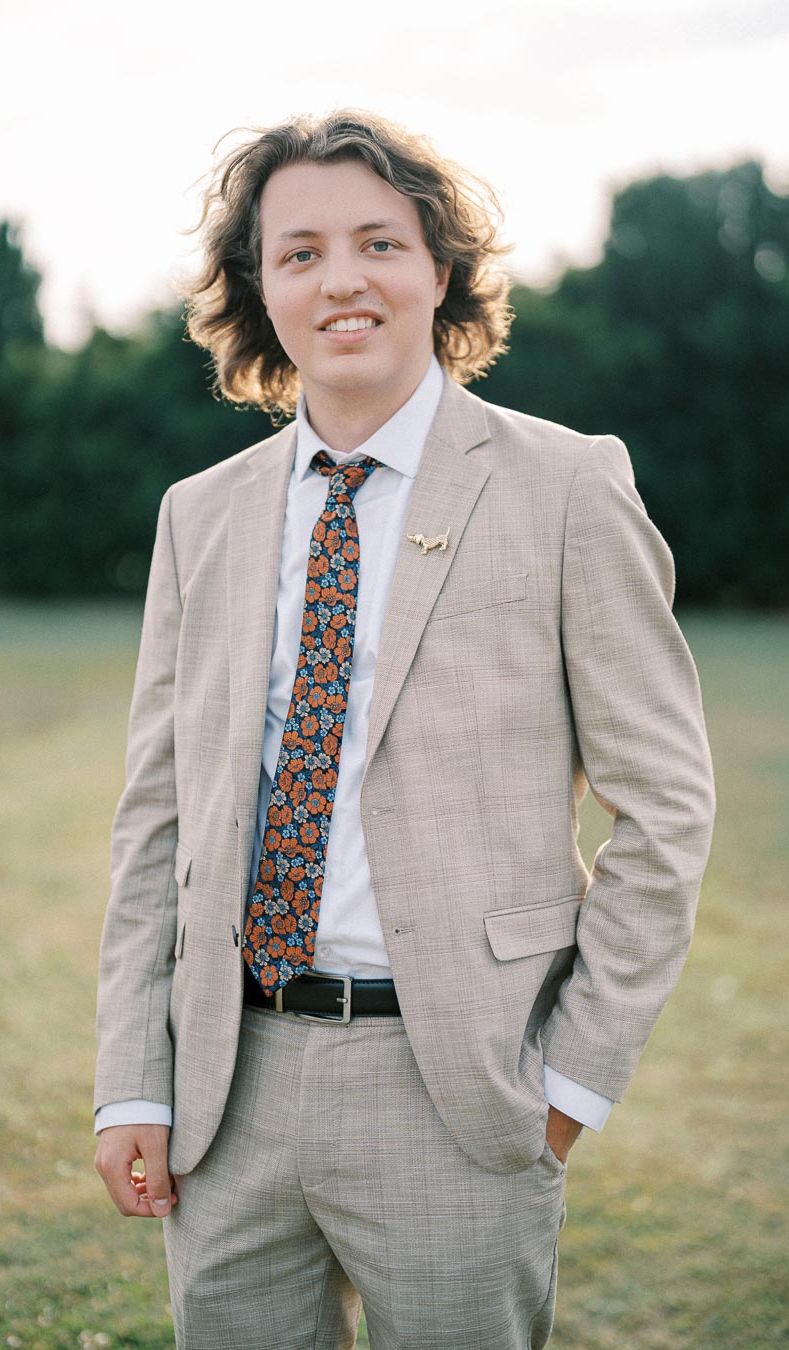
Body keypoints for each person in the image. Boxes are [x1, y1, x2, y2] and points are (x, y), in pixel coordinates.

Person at [93, 109, 716, 1349]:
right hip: (229, 1084)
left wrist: (568, 1084)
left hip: (461, 1093)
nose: (342, 280)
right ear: (259, 287)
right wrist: (133, 1080)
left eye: (379, 242)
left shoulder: (566, 485)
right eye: (300, 250)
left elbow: (669, 807)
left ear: (440, 269)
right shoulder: (198, 517)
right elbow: (155, 822)